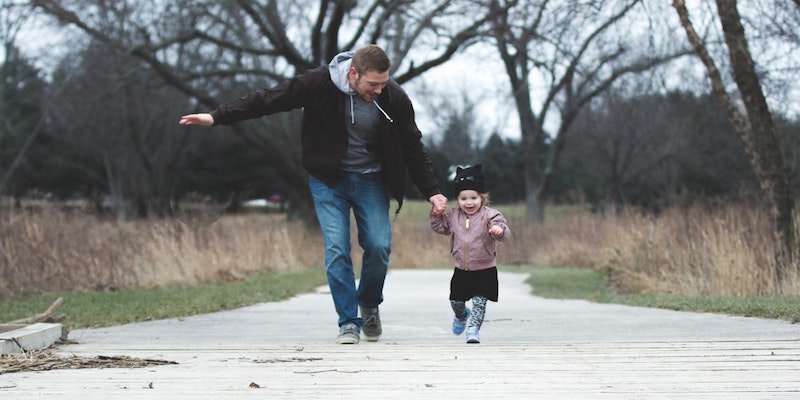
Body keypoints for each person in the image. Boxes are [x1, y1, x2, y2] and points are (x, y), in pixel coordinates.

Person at [179, 44, 448, 344]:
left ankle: (369, 303)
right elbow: (269, 99)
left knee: (379, 246)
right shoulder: (318, 83)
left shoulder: (393, 97)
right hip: (328, 179)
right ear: (353, 73)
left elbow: (413, 145)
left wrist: (433, 192)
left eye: (384, 83)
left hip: (371, 179)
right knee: (336, 249)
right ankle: (348, 322)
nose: (379, 90)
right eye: (373, 84)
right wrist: (217, 117)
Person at [430, 164, 510, 344]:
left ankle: (473, 330)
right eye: (463, 198)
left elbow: (505, 231)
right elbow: (440, 227)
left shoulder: (490, 216)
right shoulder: (453, 216)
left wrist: (499, 230)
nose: (469, 202)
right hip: (461, 270)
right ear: (457, 200)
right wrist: (436, 215)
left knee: (480, 303)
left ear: (482, 197)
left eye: (473, 197)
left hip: (485, 270)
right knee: (456, 302)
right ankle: (461, 315)